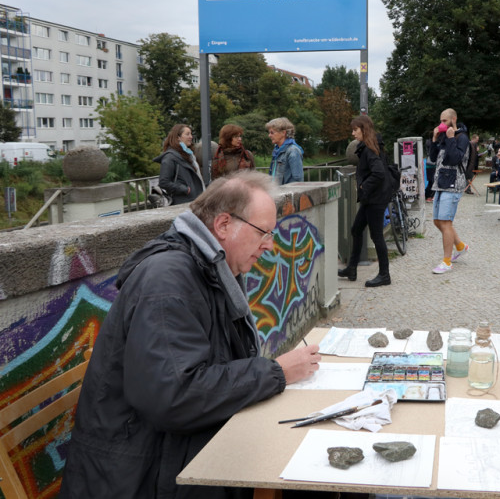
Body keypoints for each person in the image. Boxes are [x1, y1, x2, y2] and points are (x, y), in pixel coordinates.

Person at [59, 170, 321, 499]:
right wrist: (275, 372)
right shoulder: (167, 283)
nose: (269, 245)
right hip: (140, 476)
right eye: (263, 233)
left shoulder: (207, 267)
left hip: (162, 455)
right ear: (224, 225)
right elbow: (174, 397)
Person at [338, 115, 394, 287]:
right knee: (356, 229)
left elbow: (378, 173)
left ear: (364, 129)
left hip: (375, 199)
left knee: (376, 236)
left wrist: (363, 188)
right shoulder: (372, 146)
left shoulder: (370, 149)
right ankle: (352, 268)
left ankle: (384, 275)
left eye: (355, 130)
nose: (353, 133)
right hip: (372, 198)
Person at [429, 108, 470, 274]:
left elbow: (454, 159)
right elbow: (433, 158)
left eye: (444, 121)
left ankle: (447, 261)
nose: (441, 124)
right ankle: (460, 246)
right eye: (440, 121)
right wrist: (434, 139)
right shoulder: (443, 137)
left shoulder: (462, 138)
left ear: (454, 119)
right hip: (440, 183)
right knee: (437, 221)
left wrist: (451, 138)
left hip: (453, 183)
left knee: (446, 222)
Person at [154, 124, 206, 205]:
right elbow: (164, 182)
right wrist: (185, 189)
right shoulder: (170, 157)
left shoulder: (188, 155)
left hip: (193, 200)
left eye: (191, 134)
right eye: (187, 134)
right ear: (178, 137)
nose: (191, 137)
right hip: (182, 202)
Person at [267, 117, 303, 185]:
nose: (269, 135)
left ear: (283, 133)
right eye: (269, 133)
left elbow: (298, 180)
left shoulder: (293, 151)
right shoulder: (277, 150)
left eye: (272, 133)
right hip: (276, 193)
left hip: (286, 194)